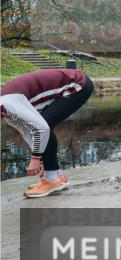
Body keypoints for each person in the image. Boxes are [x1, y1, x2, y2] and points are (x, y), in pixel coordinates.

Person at [1, 69, 94, 197]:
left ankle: (51, 180)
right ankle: (56, 177)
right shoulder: (5, 111)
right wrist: (41, 160)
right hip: (75, 83)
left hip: (78, 84)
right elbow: (26, 131)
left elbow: (42, 129)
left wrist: (35, 158)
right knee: (41, 125)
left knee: (44, 124)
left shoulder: (7, 105)